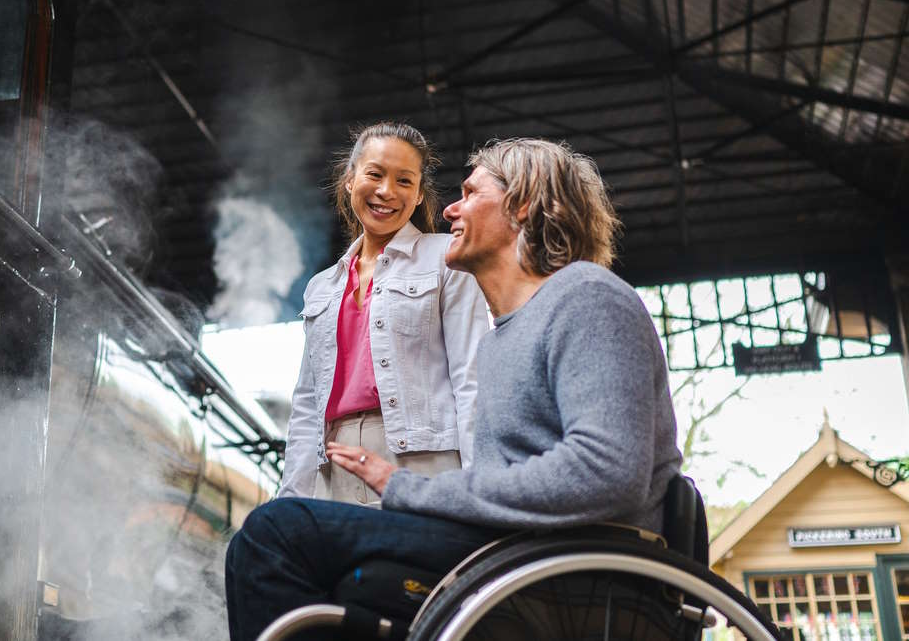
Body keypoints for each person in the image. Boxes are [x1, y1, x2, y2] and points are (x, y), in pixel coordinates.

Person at [225, 138, 683, 641]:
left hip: (571, 565)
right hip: (518, 550)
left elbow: (607, 473)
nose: (449, 208)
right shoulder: (506, 336)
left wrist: (414, 490)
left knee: (275, 535)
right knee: (299, 544)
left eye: (469, 192)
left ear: (522, 204)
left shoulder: (588, 298)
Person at [280, 122, 486, 507]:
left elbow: (470, 378)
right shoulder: (321, 287)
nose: (387, 191)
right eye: (375, 174)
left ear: (419, 193)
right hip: (334, 466)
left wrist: (478, 490)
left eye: (404, 181)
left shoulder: (446, 260)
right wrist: (290, 499)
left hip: (422, 462)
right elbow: (307, 405)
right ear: (350, 179)